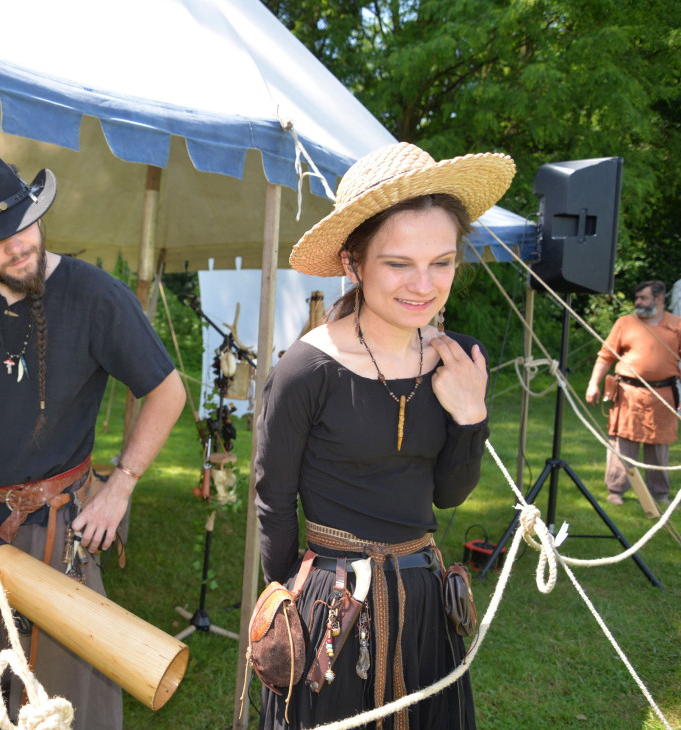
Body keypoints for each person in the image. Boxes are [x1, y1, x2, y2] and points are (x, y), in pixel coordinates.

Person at [0, 147, 185, 730]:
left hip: (59, 524)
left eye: (23, 222)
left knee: (67, 694)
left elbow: (168, 392)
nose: (19, 242)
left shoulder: (96, 295)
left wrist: (121, 485)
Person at [255, 141, 515, 729]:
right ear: (354, 263)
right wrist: (296, 607)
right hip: (331, 608)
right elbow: (273, 503)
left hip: (425, 600)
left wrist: (470, 415)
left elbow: (448, 496)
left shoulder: (462, 359)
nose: (423, 284)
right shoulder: (305, 369)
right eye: (399, 263)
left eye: (442, 262)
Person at [585, 280, 680, 506]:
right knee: (622, 443)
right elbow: (605, 356)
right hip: (628, 394)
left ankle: (659, 493)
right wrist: (592, 384)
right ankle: (616, 490)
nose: (637, 302)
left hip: (662, 394)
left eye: (643, 298)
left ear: (659, 299)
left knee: (659, 446)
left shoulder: (676, 325)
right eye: (636, 297)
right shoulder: (625, 323)